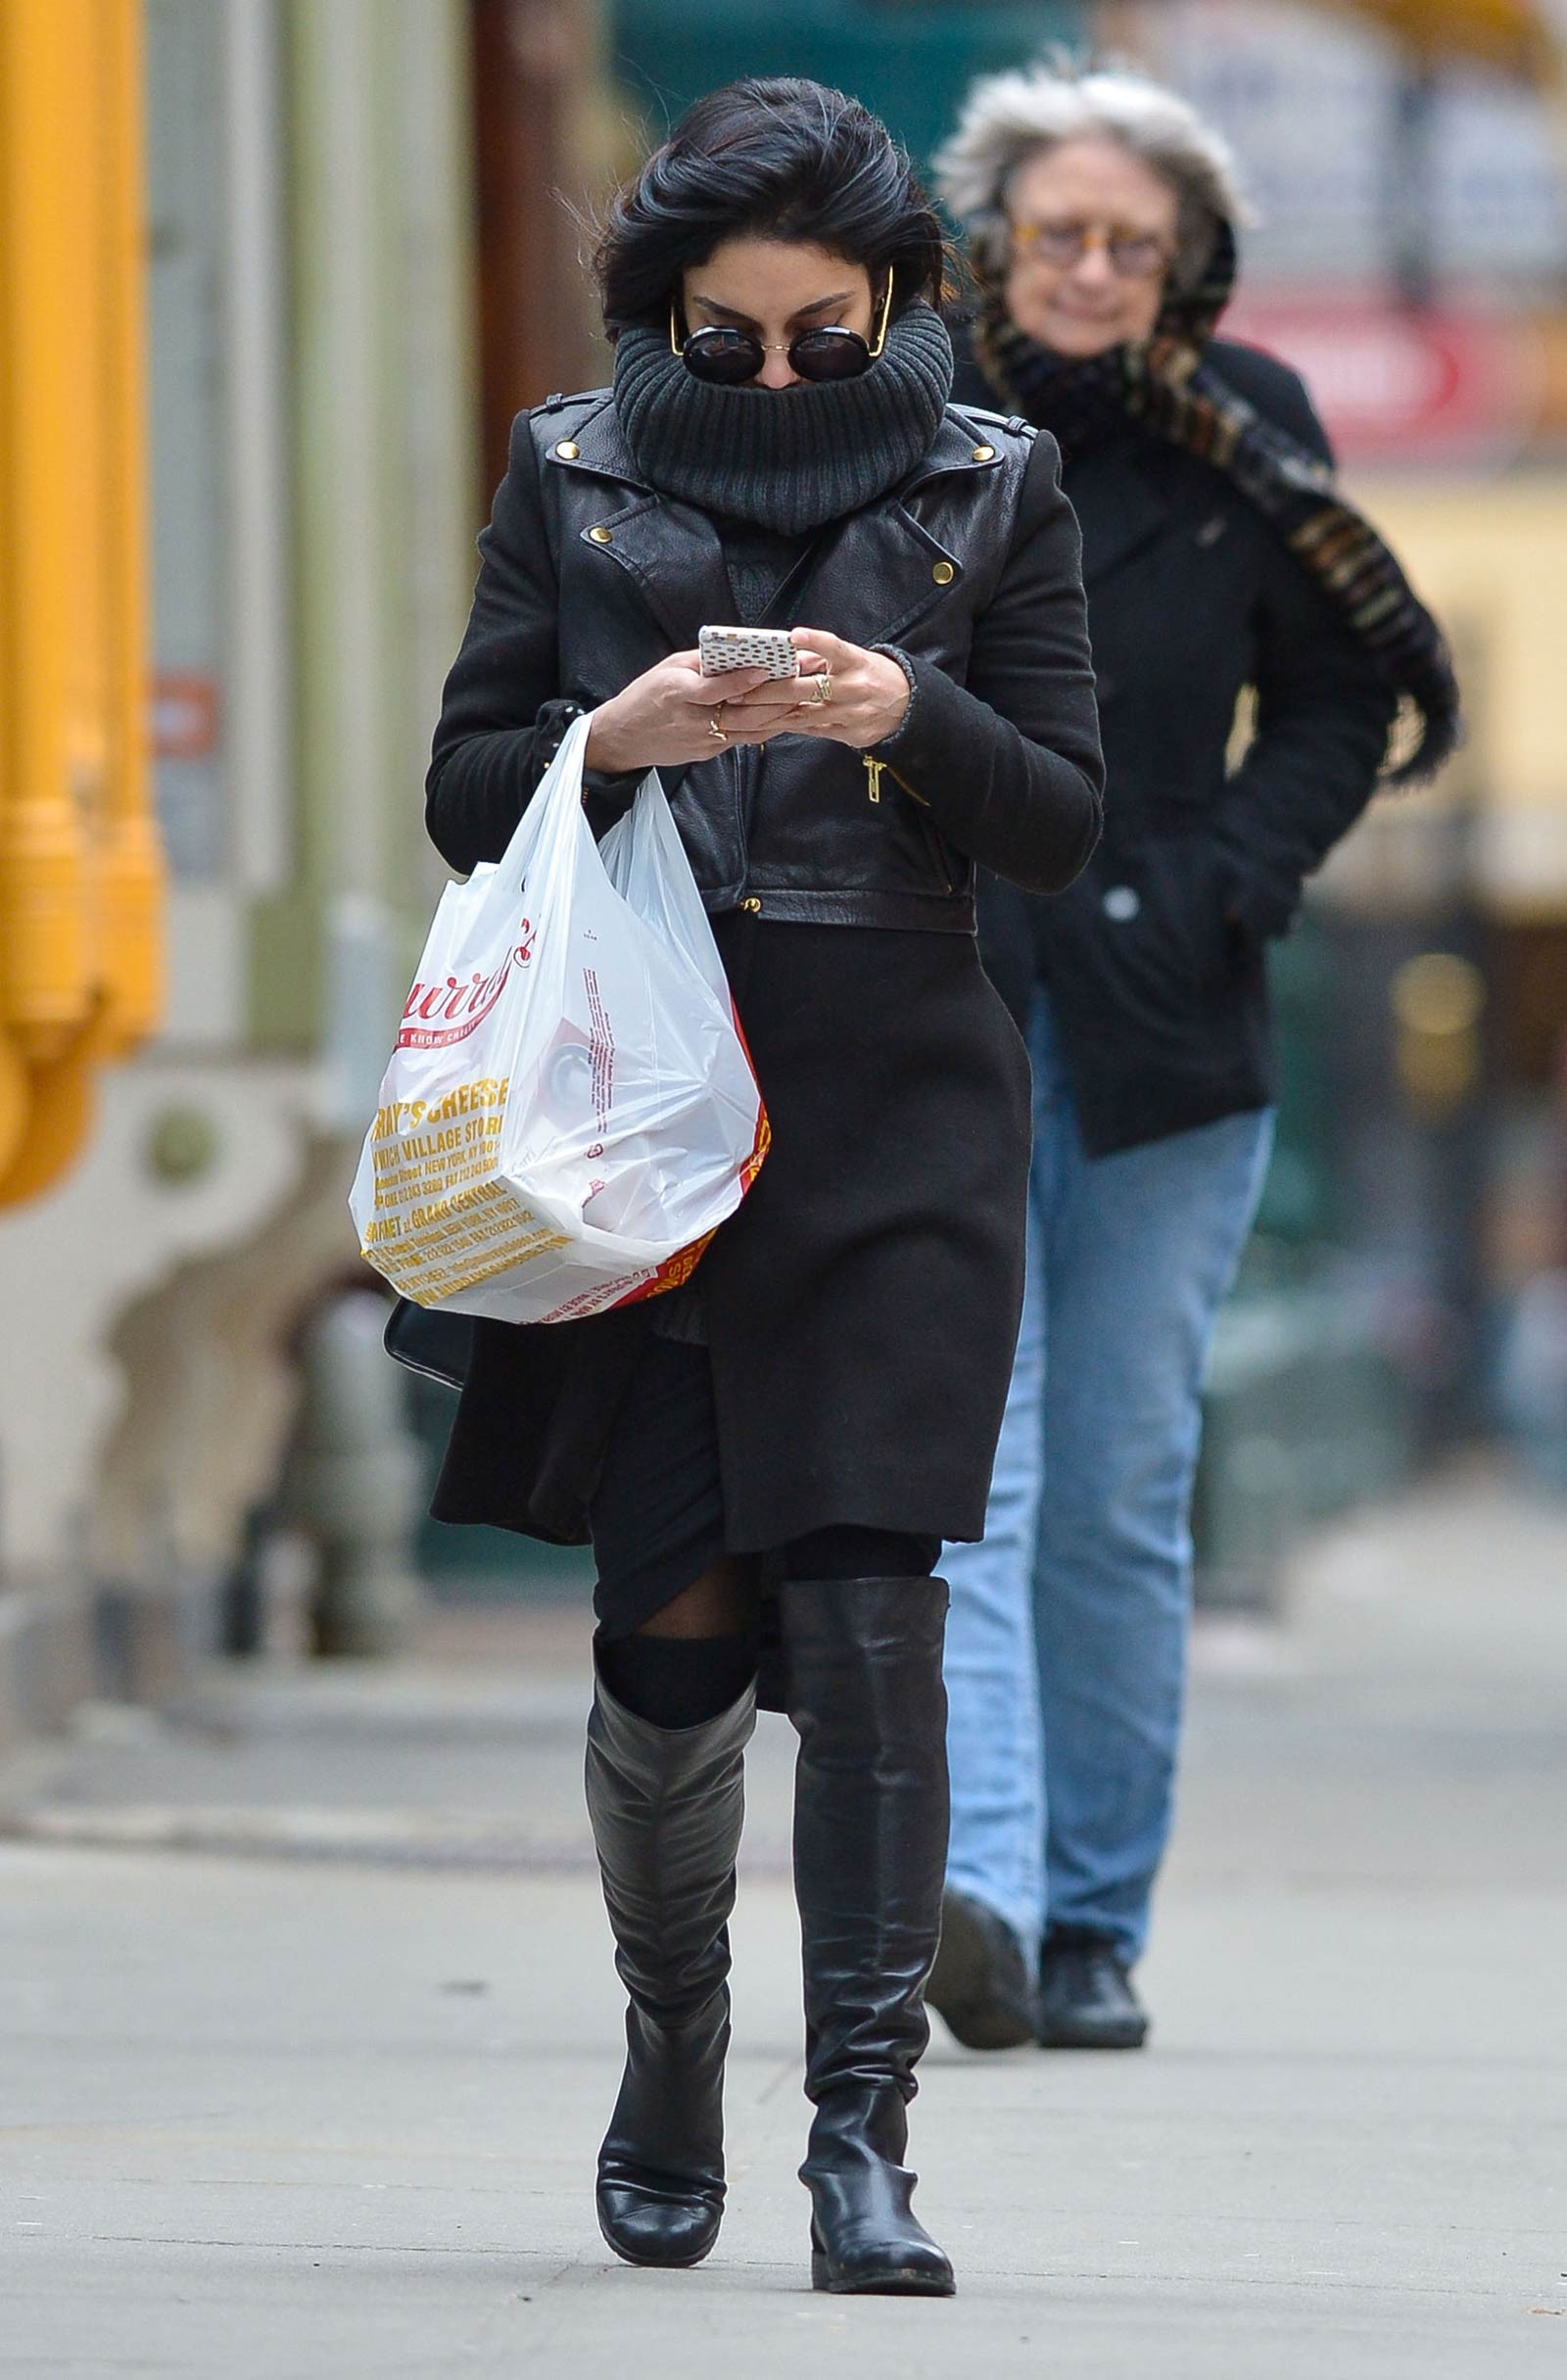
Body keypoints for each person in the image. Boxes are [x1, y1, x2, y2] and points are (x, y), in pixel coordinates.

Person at [422, 78, 1104, 2293]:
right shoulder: (566, 466)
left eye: (826, 329)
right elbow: (463, 788)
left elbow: (1060, 824)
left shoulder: (996, 487)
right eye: (727, 340)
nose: (785, 375)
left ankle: (861, 2142)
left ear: (897, 297)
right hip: (640, 1127)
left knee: (869, 1609)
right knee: (668, 1645)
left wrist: (902, 708)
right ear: (661, 322)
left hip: (894, 1113)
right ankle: (665, 2045)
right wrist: (602, 742)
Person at [924, 59, 1460, 2054]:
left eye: (1125, 243)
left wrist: (1219, 880)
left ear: (1183, 269)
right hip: (944, 1001)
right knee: (970, 1464)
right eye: (1055, 233)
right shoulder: (915, 424)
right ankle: (969, 1884)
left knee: (1120, 1484)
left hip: (1165, 1013)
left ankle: (1083, 1919)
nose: (1085, 268)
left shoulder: (1258, 442)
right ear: (992, 244)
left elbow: (1342, 703)